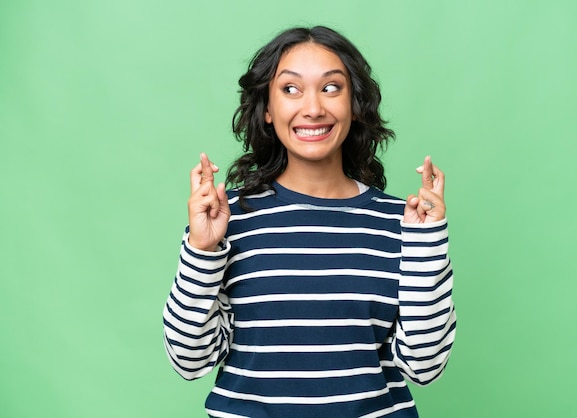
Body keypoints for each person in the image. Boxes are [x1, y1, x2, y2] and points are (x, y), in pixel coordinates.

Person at [163, 26, 456, 418]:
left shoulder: (400, 222)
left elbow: (425, 367)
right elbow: (189, 361)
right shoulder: (227, 218)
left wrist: (427, 245)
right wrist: (201, 251)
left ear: (355, 104)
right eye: (290, 89)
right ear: (267, 109)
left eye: (331, 88)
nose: (313, 108)